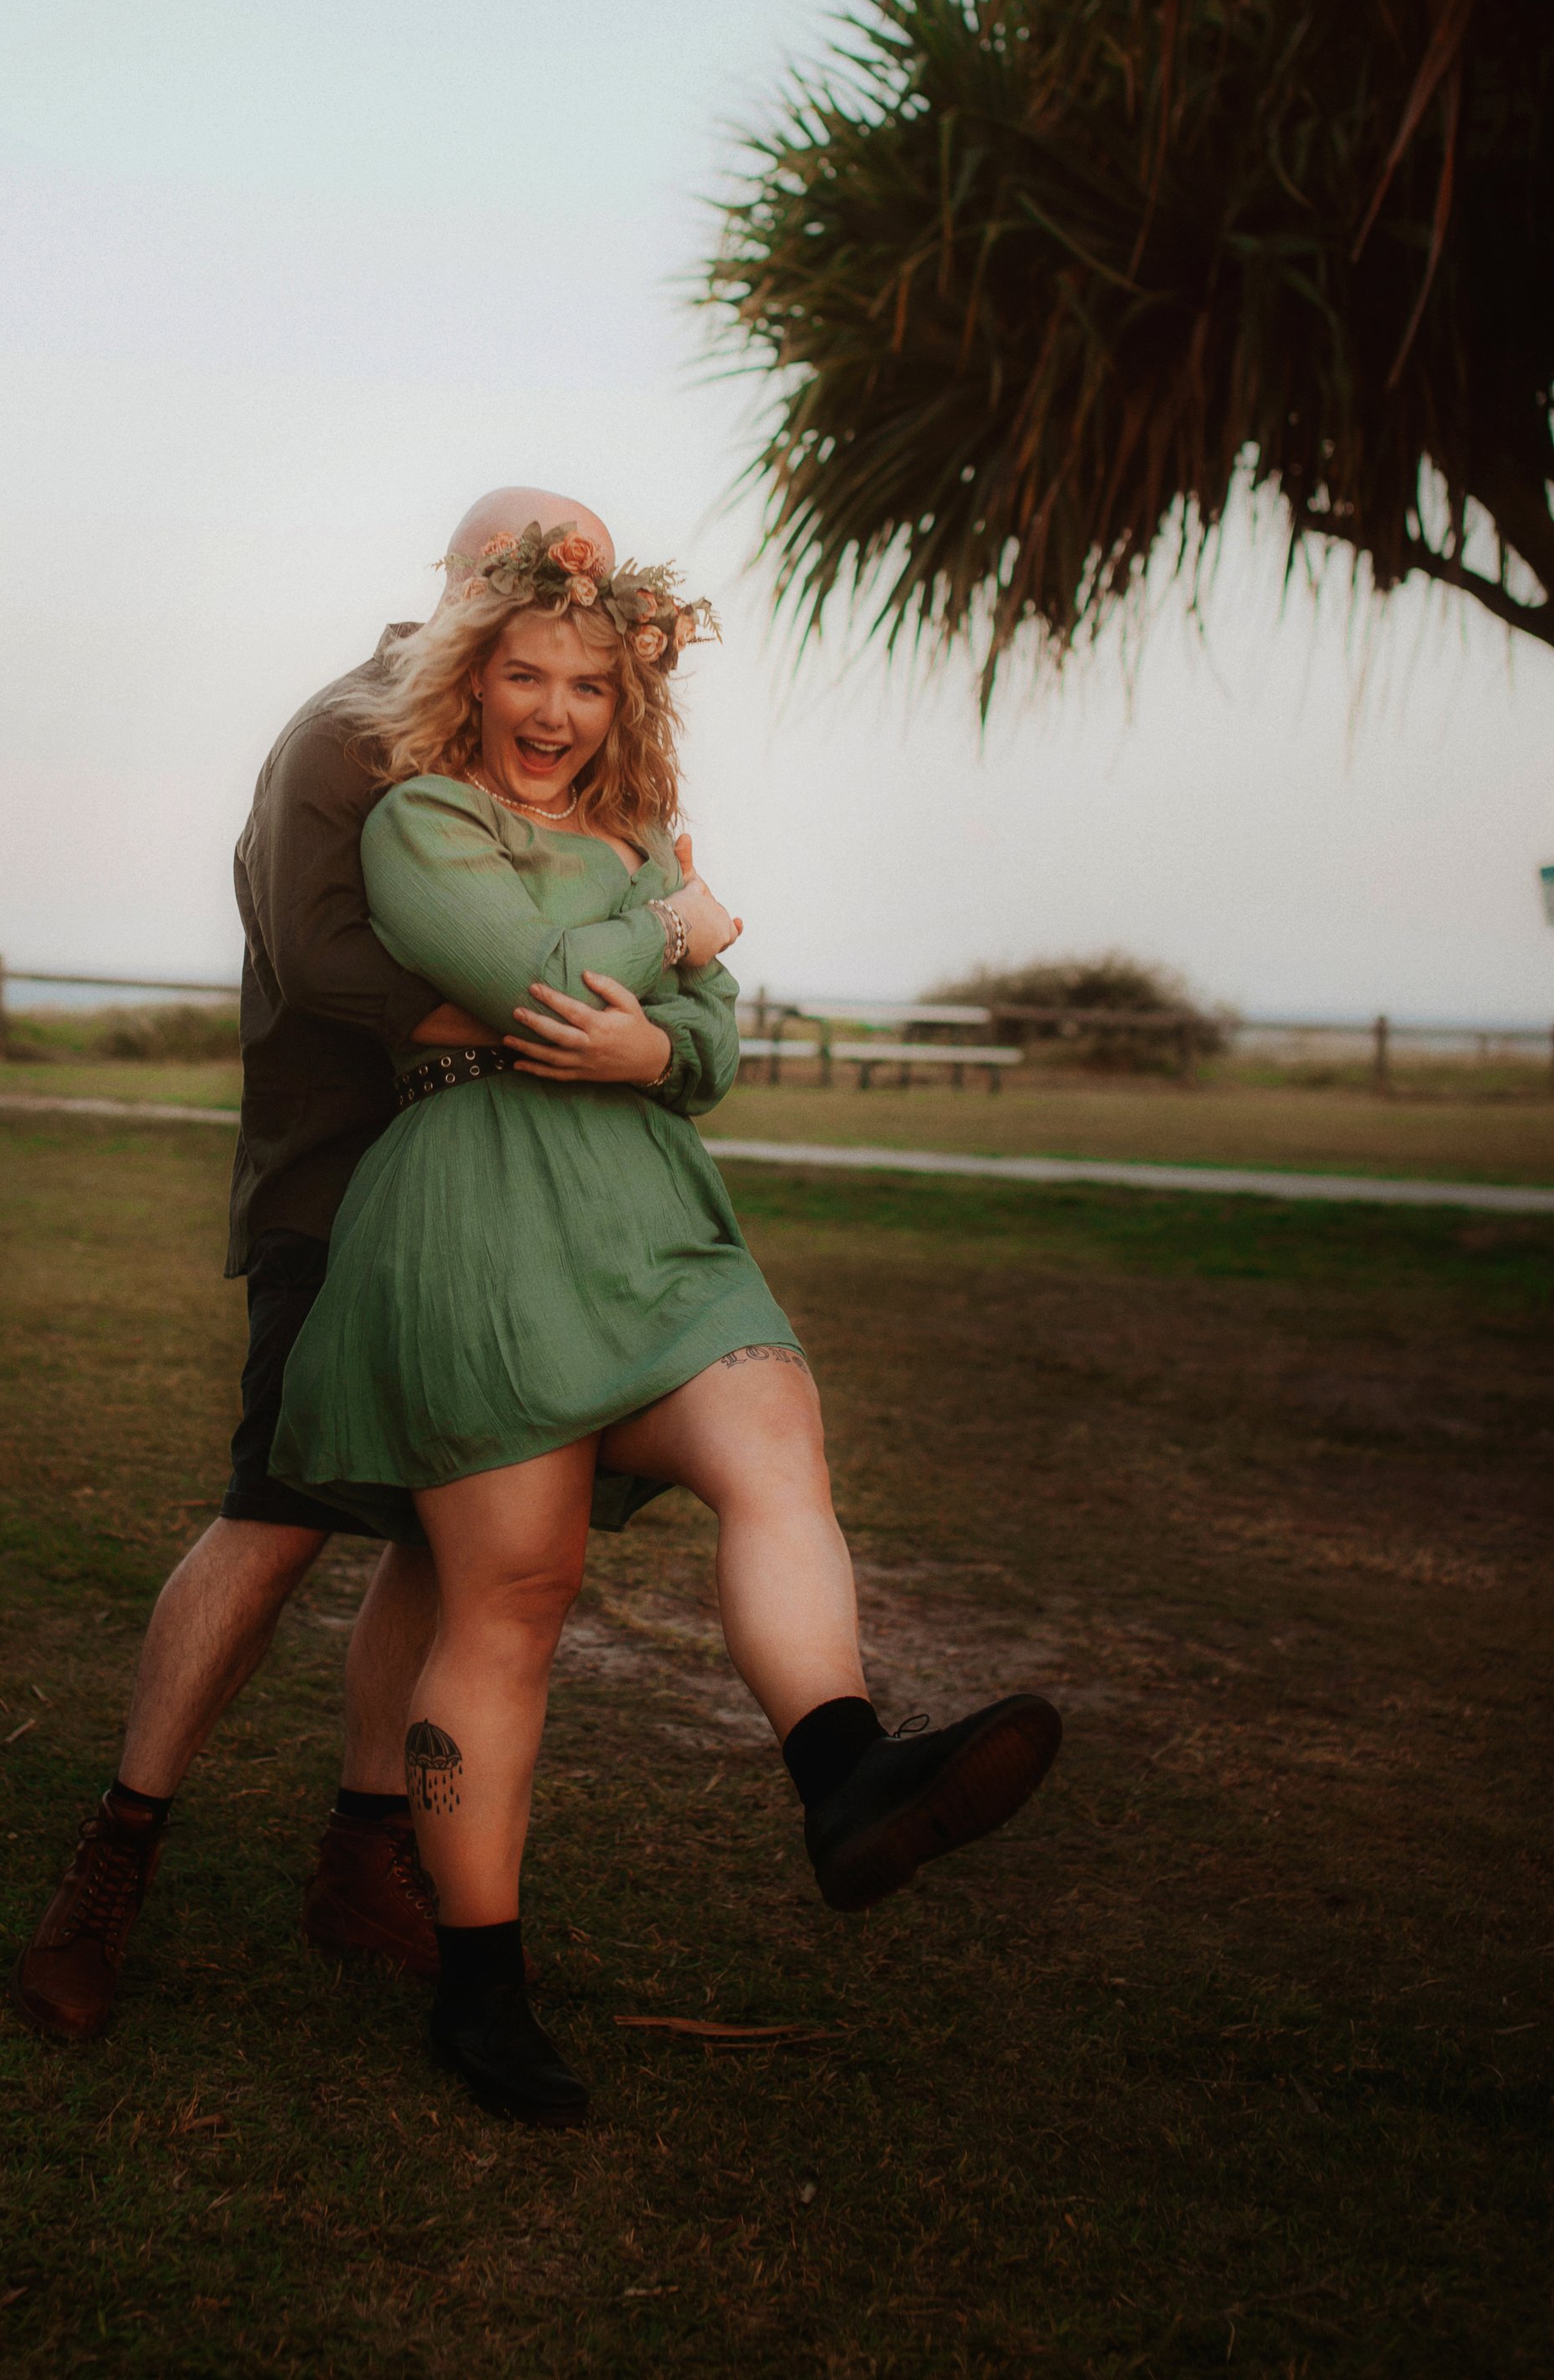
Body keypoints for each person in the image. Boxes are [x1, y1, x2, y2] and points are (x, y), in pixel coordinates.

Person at [270, 520, 1062, 2125]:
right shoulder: (425, 819)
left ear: (632, 703)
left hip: (646, 1207)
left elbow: (708, 1042)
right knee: (514, 1594)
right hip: (476, 1205)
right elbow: (540, 981)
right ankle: (480, 1990)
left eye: (591, 684)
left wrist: (664, 1052)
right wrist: (677, 932)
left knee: (775, 1427)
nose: (556, 711)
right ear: (472, 677)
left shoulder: (640, 836)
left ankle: (845, 1774)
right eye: (527, 674)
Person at [8, 486, 741, 2046]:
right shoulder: (349, 732)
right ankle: (112, 1857)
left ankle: (365, 1855)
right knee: (272, 1521)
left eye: (589, 593)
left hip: (501, 1201)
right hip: (342, 1189)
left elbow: (640, 930)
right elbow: (320, 952)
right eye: (531, 574)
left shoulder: (536, 751)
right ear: (465, 573)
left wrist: (637, 1000)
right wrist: (551, 1007)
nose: (558, 608)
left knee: (446, 1537)